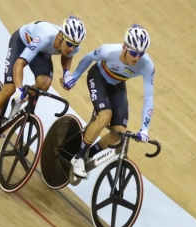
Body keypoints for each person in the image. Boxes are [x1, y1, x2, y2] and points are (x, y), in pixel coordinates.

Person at [0, 16, 87, 151]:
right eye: (69, 44)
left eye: (75, 46)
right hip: (22, 42)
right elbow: (19, 64)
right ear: (60, 36)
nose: (71, 48)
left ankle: (18, 102)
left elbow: (67, 56)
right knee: (10, 88)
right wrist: (19, 89)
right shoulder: (46, 37)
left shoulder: (73, 46)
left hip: (42, 51)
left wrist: (66, 74)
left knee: (44, 83)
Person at [61, 24, 155, 178]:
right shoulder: (109, 50)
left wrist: (145, 128)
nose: (136, 58)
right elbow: (89, 57)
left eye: (140, 54)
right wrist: (74, 76)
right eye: (133, 52)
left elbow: (149, 97)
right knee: (105, 117)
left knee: (119, 134)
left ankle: (88, 154)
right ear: (125, 48)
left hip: (118, 85)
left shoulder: (147, 65)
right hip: (98, 77)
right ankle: (78, 158)